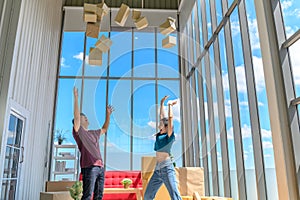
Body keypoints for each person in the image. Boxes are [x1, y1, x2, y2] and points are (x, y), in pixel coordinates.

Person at [72, 87, 114, 200]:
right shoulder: (78, 132)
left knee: (99, 196)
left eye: (85, 117)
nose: (85, 118)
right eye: (82, 117)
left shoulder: (94, 133)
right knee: (87, 196)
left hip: (100, 167)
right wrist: (76, 97)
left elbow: (104, 128)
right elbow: (76, 117)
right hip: (89, 167)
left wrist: (108, 114)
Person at [144, 95, 182, 200]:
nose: (159, 124)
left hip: (167, 168)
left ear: (166, 127)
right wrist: (161, 104)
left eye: (161, 124)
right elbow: (162, 116)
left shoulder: (169, 136)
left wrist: (169, 105)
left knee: (175, 196)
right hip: (158, 170)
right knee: (147, 196)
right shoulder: (160, 135)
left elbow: (170, 119)